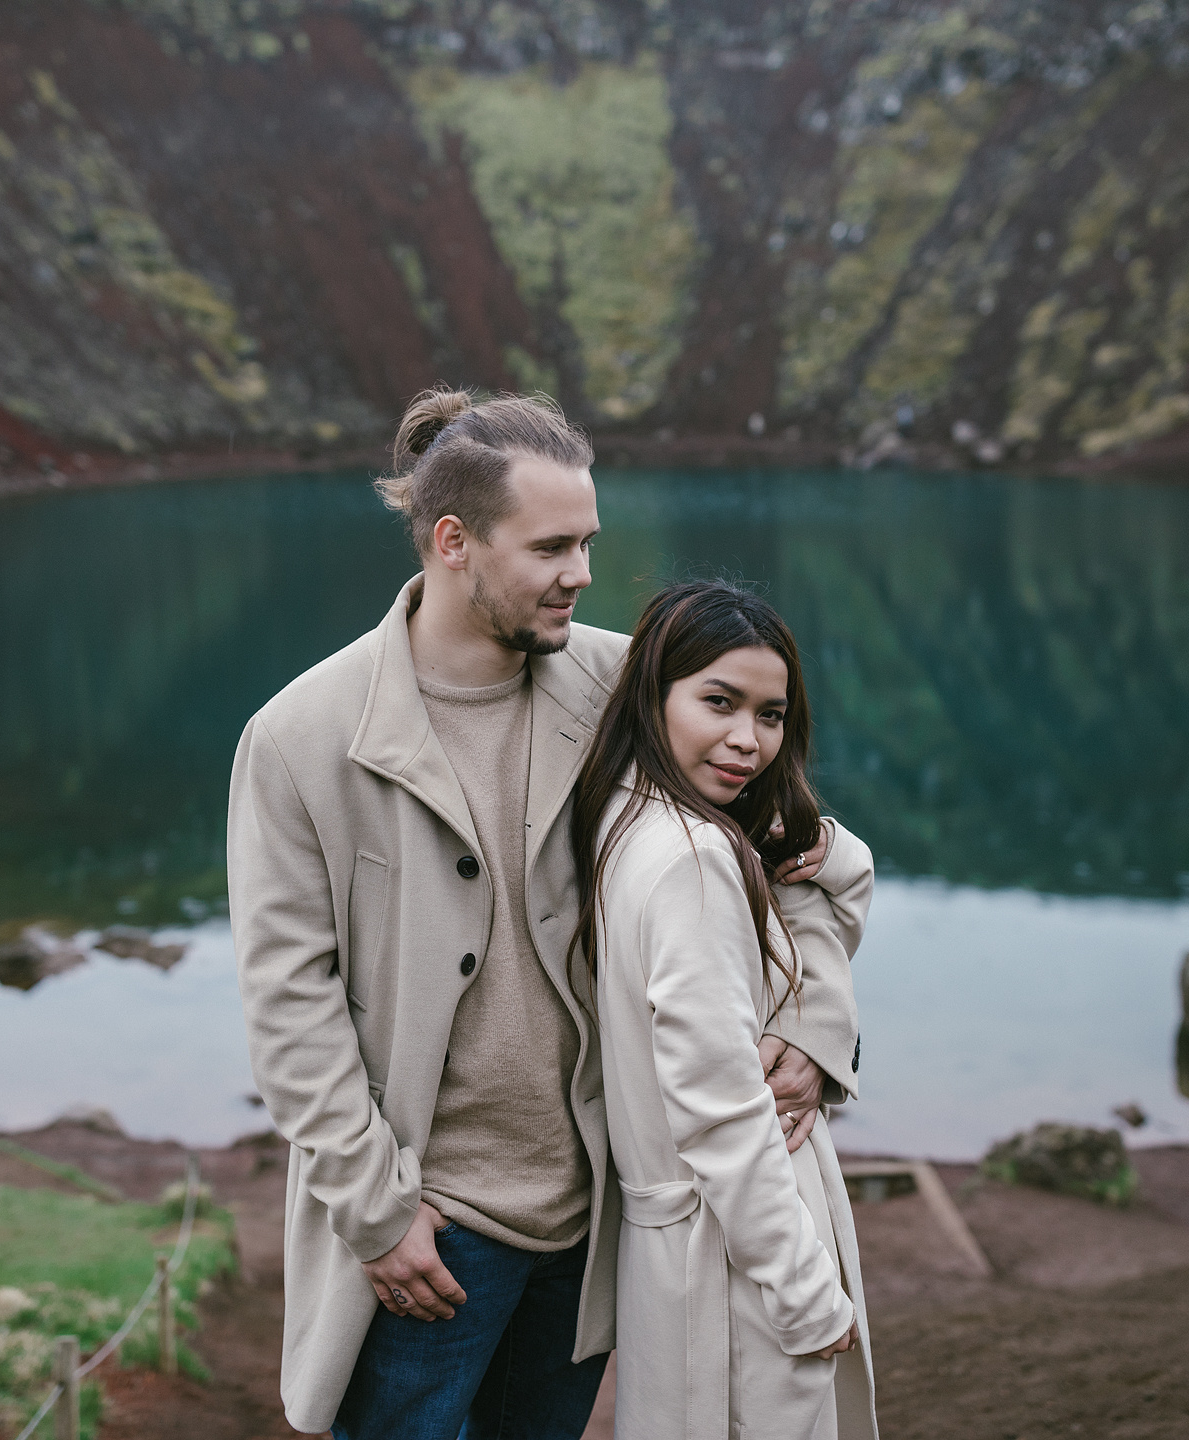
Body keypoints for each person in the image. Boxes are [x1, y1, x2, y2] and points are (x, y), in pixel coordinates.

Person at [227, 390, 861, 1438]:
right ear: (454, 542)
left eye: (589, 543)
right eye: (554, 546)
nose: (583, 573)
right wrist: (379, 1214)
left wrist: (811, 1022)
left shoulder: (625, 685)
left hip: (595, 1222)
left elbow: (798, 859)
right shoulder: (299, 737)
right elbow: (289, 1009)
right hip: (430, 1237)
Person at [571, 579, 879, 1440]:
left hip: (680, 1254)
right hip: (734, 1264)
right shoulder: (698, 861)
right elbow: (720, 1114)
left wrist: (821, 842)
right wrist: (805, 1294)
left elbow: (834, 892)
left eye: (771, 714)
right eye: (719, 702)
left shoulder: (626, 810)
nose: (748, 740)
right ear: (654, 692)